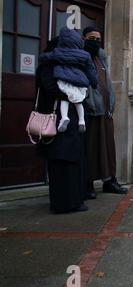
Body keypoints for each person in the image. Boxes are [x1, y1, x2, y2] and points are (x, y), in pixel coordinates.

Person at [36, 38, 88, 214]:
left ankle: (74, 201)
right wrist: (74, 92)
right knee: (60, 165)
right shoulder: (47, 67)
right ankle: (63, 204)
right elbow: (52, 88)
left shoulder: (64, 66)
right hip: (56, 123)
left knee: (72, 165)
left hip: (70, 124)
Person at [82, 27, 128, 200]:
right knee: (91, 151)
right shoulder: (81, 58)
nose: (95, 41)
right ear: (83, 38)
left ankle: (110, 182)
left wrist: (111, 106)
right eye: (91, 38)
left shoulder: (101, 59)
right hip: (91, 113)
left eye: (98, 38)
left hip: (106, 113)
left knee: (108, 150)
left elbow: (107, 84)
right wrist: (91, 104)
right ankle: (87, 185)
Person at [40, 27, 98, 134]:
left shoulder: (57, 53)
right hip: (79, 87)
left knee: (65, 100)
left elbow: (45, 58)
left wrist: (43, 57)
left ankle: (64, 117)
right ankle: (82, 121)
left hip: (57, 105)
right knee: (78, 102)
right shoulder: (84, 55)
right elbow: (94, 79)